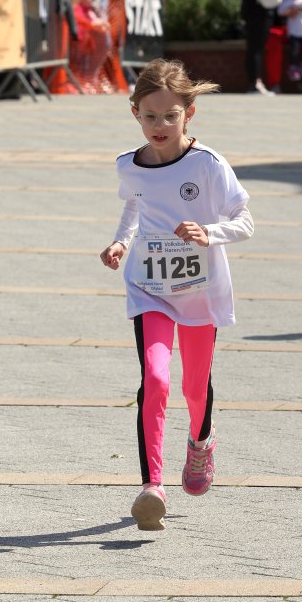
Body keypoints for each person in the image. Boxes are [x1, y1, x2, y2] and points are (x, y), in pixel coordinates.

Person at [99, 59, 254, 531]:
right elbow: (134, 205)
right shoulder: (129, 164)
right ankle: (152, 486)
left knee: (193, 387)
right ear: (134, 113)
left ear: (189, 113)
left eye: (170, 116)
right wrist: (121, 242)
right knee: (156, 378)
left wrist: (210, 232)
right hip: (149, 288)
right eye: (150, 116)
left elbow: (245, 222)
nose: (160, 125)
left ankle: (201, 442)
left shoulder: (208, 164)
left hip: (199, 292)